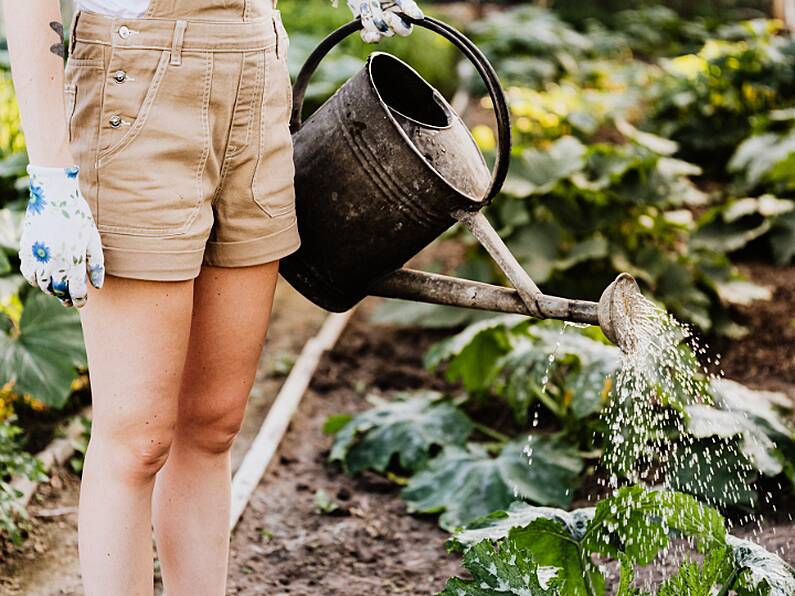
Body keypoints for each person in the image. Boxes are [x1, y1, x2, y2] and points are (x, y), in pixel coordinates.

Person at [2, 0, 423, 593]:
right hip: (139, 80)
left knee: (214, 425)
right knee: (138, 439)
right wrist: (50, 175)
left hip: (256, 68)